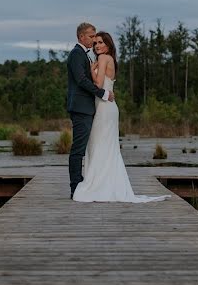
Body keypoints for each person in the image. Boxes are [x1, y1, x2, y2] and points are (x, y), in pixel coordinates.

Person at [72, 31, 170, 203]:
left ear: (108, 45)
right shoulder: (110, 59)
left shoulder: (103, 59)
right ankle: (107, 183)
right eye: (95, 43)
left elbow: (98, 84)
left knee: (98, 145)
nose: (97, 46)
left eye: (100, 42)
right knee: (106, 147)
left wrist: (90, 70)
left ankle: (99, 185)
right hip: (108, 108)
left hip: (104, 108)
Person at [66, 22, 113, 199]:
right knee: (78, 149)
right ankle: (75, 187)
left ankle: (80, 183)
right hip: (80, 108)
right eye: (91, 36)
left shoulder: (84, 55)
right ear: (81, 37)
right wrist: (103, 93)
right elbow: (81, 81)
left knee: (82, 148)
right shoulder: (77, 54)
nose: (94, 40)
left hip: (86, 108)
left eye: (95, 37)